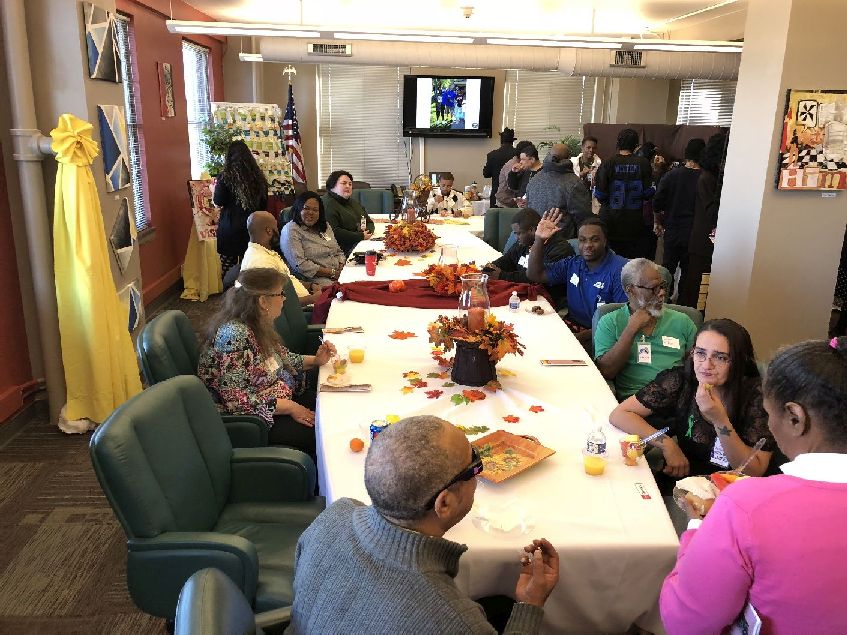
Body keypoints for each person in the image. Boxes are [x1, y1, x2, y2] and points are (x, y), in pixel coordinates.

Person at [288, 415, 560, 634]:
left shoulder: (334, 515)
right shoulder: (454, 621)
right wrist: (530, 604)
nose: (478, 474)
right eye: (475, 466)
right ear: (445, 503)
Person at [660, 336, 847, 634]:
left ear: (795, 418)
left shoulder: (746, 506)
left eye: (769, 413)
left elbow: (684, 621)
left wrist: (697, 527)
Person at [609, 319, 775, 491]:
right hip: (686, 479)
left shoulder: (758, 397)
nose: (706, 365)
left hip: (735, 490)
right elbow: (620, 414)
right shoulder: (682, 380)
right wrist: (666, 443)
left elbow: (753, 471)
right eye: (700, 353)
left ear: (739, 361)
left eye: (720, 357)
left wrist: (719, 420)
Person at [197, 267, 336, 456]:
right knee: (326, 434)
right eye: (280, 294)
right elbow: (237, 401)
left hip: (277, 396)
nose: (284, 299)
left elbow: (282, 359)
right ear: (263, 301)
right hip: (255, 420)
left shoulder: (256, 324)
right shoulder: (235, 336)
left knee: (332, 406)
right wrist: (290, 407)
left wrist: (316, 360)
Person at [594, 258, 697, 400]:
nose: (661, 293)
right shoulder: (610, 322)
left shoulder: (682, 321)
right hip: (634, 401)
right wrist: (631, 329)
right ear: (630, 290)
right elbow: (607, 371)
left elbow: (696, 367)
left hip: (675, 399)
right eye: (653, 288)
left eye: (662, 286)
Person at [527, 211, 628, 346]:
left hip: (603, 335)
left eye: (594, 239)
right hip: (572, 326)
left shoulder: (620, 270)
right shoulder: (573, 263)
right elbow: (535, 274)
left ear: (605, 241)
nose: (587, 245)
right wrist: (539, 239)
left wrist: (579, 337)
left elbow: (623, 319)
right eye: (582, 240)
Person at [678, 132, 728, 308]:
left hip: (708, 240)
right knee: (697, 291)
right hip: (703, 241)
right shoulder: (707, 178)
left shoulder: (714, 177)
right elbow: (712, 212)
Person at [484, 209, 573, 308]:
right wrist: (491, 268)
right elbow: (507, 260)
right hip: (522, 292)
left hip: (546, 300)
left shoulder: (559, 249)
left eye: (519, 233)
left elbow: (537, 278)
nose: (516, 237)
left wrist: (502, 275)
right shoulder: (524, 243)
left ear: (532, 230)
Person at [652, 138, 705, 299]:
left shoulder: (671, 175)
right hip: (694, 233)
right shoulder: (705, 179)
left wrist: (657, 222)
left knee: (667, 269)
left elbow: (657, 202)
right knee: (688, 273)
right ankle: (683, 305)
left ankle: (662, 302)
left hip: (672, 229)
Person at [594, 129, 655, 258]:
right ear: (636, 146)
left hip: (610, 221)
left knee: (610, 262)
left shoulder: (608, 163)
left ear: (618, 143)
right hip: (634, 223)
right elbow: (649, 193)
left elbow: (600, 195)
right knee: (630, 265)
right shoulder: (644, 163)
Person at [213, 140, 269, 276]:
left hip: (230, 229)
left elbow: (218, 201)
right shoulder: (259, 178)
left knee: (227, 270)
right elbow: (263, 205)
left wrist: (213, 189)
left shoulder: (225, 177)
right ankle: (246, 290)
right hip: (252, 229)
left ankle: (230, 289)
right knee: (250, 269)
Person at [242, 211, 321, 306]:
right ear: (269, 231)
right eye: (276, 227)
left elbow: (287, 282)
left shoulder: (265, 252)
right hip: (299, 310)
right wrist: (311, 299)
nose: (278, 231)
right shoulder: (261, 262)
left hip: (304, 303)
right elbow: (276, 303)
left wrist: (311, 286)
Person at [280, 191, 347, 288]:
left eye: (315, 210)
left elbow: (338, 251)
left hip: (339, 273)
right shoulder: (291, 230)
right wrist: (332, 273)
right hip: (315, 279)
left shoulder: (325, 226)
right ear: (298, 209)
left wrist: (341, 268)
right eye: (306, 208)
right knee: (345, 293)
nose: (311, 213)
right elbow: (300, 265)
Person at [525, 143, 592, 234]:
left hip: (536, 237)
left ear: (549, 155)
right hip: (563, 239)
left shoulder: (533, 180)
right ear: (569, 158)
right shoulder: (574, 183)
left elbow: (528, 210)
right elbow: (585, 219)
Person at [322, 170, 375, 256]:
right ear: (332, 186)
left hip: (360, 242)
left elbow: (369, 222)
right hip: (341, 251)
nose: (348, 186)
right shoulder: (327, 204)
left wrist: (367, 232)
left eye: (350, 184)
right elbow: (333, 232)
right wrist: (360, 236)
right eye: (344, 183)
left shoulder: (351, 202)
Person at [483, 128, 516, 207]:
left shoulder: (492, 155)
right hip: (513, 196)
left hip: (496, 195)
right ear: (512, 141)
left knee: (495, 215)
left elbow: (486, 174)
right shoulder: (517, 155)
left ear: (501, 141)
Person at [495, 140, 533, 208]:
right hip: (506, 201)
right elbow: (512, 186)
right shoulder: (513, 164)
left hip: (512, 200)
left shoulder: (521, 164)